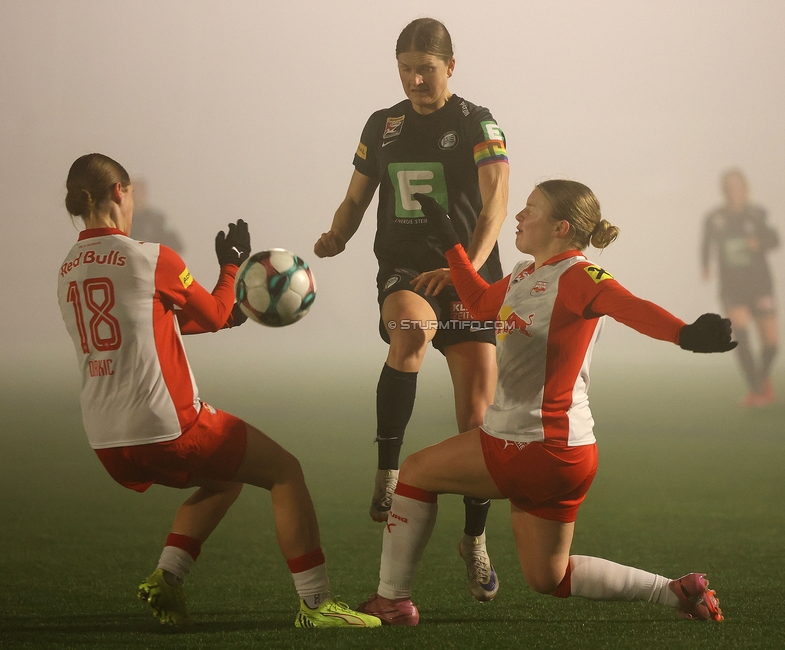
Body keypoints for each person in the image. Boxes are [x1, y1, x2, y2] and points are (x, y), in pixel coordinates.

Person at [356, 182, 735, 626]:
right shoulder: (524, 273)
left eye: (530, 209)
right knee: (547, 577)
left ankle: (392, 601)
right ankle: (675, 592)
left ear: (561, 226)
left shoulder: (579, 276)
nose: (518, 216)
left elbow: (629, 306)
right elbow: (478, 303)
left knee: (416, 472)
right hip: (563, 454)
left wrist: (685, 334)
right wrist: (452, 246)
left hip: (533, 445)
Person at [57, 153, 380, 629]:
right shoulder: (149, 257)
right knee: (286, 472)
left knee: (225, 478)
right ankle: (316, 605)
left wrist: (222, 307)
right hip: (165, 424)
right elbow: (209, 314)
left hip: (106, 438)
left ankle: (167, 579)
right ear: (119, 193)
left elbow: (160, 325)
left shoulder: (67, 268)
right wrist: (231, 268)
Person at [313, 17, 509, 601]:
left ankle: (474, 540)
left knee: (477, 421)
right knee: (410, 333)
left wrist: (463, 270)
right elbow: (356, 196)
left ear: (452, 67)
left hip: (469, 274)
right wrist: (337, 234)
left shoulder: (478, 121)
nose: (416, 78)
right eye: (406, 68)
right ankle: (388, 471)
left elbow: (496, 205)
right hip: (404, 272)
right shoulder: (383, 124)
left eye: (427, 68)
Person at [701, 168, 780, 407]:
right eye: (729, 187)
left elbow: (775, 240)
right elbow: (705, 245)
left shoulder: (758, 214)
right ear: (724, 191)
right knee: (740, 333)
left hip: (760, 284)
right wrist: (705, 266)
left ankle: (761, 379)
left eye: (738, 186)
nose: (734, 191)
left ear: (745, 188)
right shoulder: (715, 218)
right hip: (732, 286)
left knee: (771, 343)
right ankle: (756, 390)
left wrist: (759, 243)